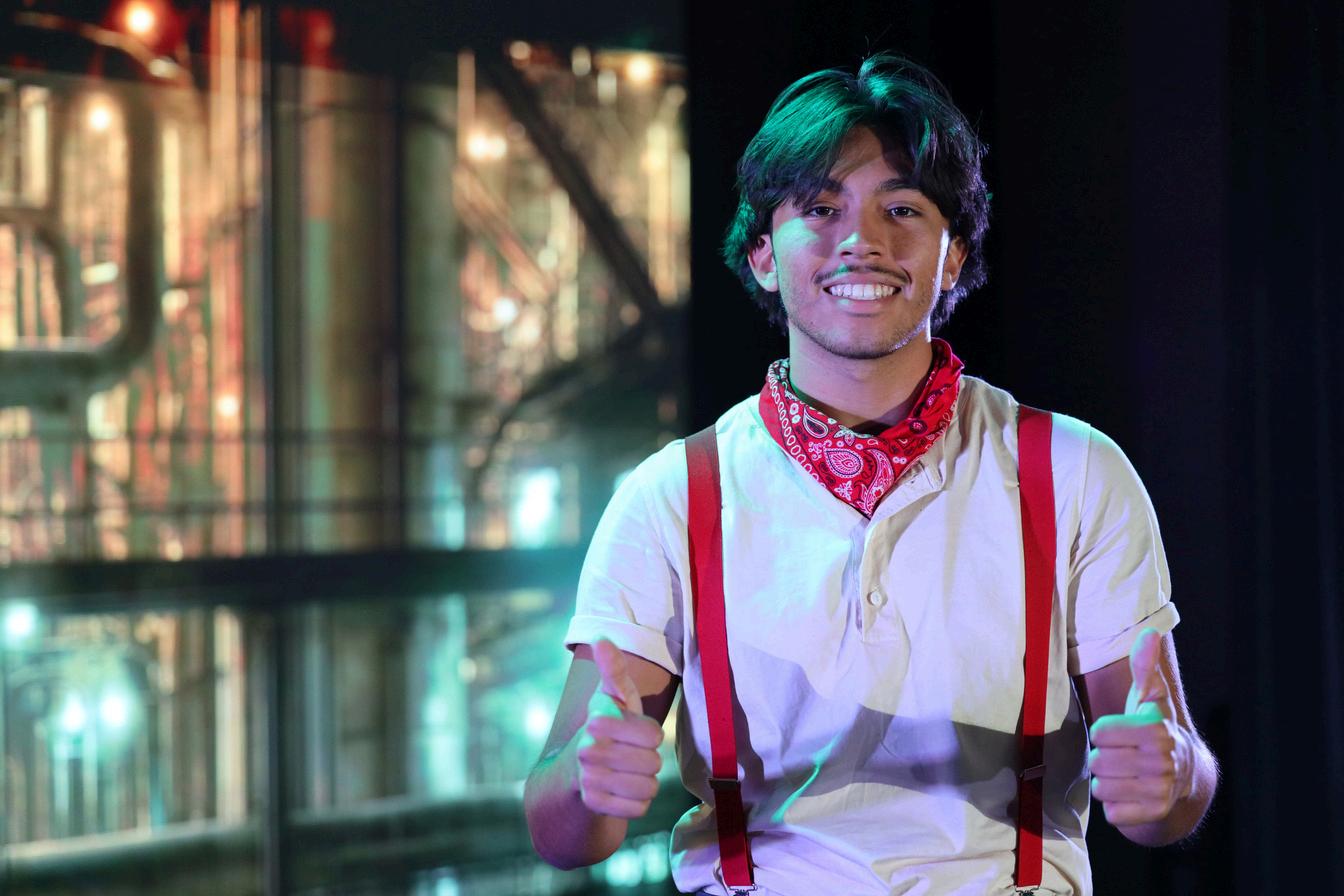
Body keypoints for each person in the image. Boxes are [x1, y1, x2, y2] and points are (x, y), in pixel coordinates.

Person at [523, 53, 1219, 895]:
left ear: (953, 256)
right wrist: (589, 782)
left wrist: (1173, 773)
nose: (863, 240)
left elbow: (1164, 794)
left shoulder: (1072, 470)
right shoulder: (672, 496)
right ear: (762, 254)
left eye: (903, 208)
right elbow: (561, 830)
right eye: (821, 209)